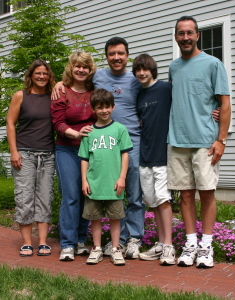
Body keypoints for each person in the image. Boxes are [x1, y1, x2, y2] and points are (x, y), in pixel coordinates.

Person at [53, 37, 144, 259]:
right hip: (84, 147)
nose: (116, 57)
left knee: (127, 194)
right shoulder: (85, 82)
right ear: (106, 57)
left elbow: (153, 92)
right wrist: (58, 83)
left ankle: (128, 240)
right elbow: (58, 117)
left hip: (120, 144)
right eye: (112, 53)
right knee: (81, 195)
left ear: (127, 55)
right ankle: (78, 242)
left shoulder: (128, 80)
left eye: (121, 53)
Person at [168, 16, 231, 268]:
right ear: (176, 37)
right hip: (177, 140)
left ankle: (206, 245)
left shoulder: (213, 64)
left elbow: (224, 103)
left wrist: (221, 139)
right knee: (184, 195)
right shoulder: (173, 67)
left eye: (189, 33)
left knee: (207, 193)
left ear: (197, 36)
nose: (185, 38)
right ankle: (191, 243)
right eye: (181, 33)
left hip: (205, 141)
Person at [6, 59, 56, 257]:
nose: (42, 76)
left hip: (48, 154)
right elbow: (10, 123)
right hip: (24, 154)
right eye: (38, 73)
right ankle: (27, 242)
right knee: (25, 197)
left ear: (49, 76)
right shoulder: (21, 96)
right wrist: (14, 151)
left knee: (45, 197)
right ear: (31, 76)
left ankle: (43, 242)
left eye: (45, 73)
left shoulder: (54, 97)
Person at [78, 89, 133, 266]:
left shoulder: (119, 129)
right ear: (93, 109)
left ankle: (116, 249)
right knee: (95, 218)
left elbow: (125, 154)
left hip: (113, 183)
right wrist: (84, 180)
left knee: (115, 217)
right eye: (100, 107)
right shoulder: (88, 132)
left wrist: (122, 177)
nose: (104, 110)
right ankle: (96, 249)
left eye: (107, 107)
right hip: (94, 184)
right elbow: (85, 159)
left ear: (113, 107)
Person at [51, 52, 97, 261]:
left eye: (85, 67)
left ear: (90, 69)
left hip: (91, 151)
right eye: (77, 66)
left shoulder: (95, 92)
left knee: (87, 194)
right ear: (71, 68)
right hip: (67, 149)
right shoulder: (62, 92)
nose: (81, 70)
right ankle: (67, 244)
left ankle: (80, 240)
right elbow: (58, 123)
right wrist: (76, 134)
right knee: (71, 196)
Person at [132, 54, 176, 265]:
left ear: (152, 70)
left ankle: (169, 246)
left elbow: (190, 101)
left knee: (164, 200)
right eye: (138, 70)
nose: (142, 73)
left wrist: (215, 110)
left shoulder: (167, 89)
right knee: (154, 203)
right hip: (145, 155)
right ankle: (160, 243)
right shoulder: (139, 95)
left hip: (164, 154)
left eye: (145, 69)